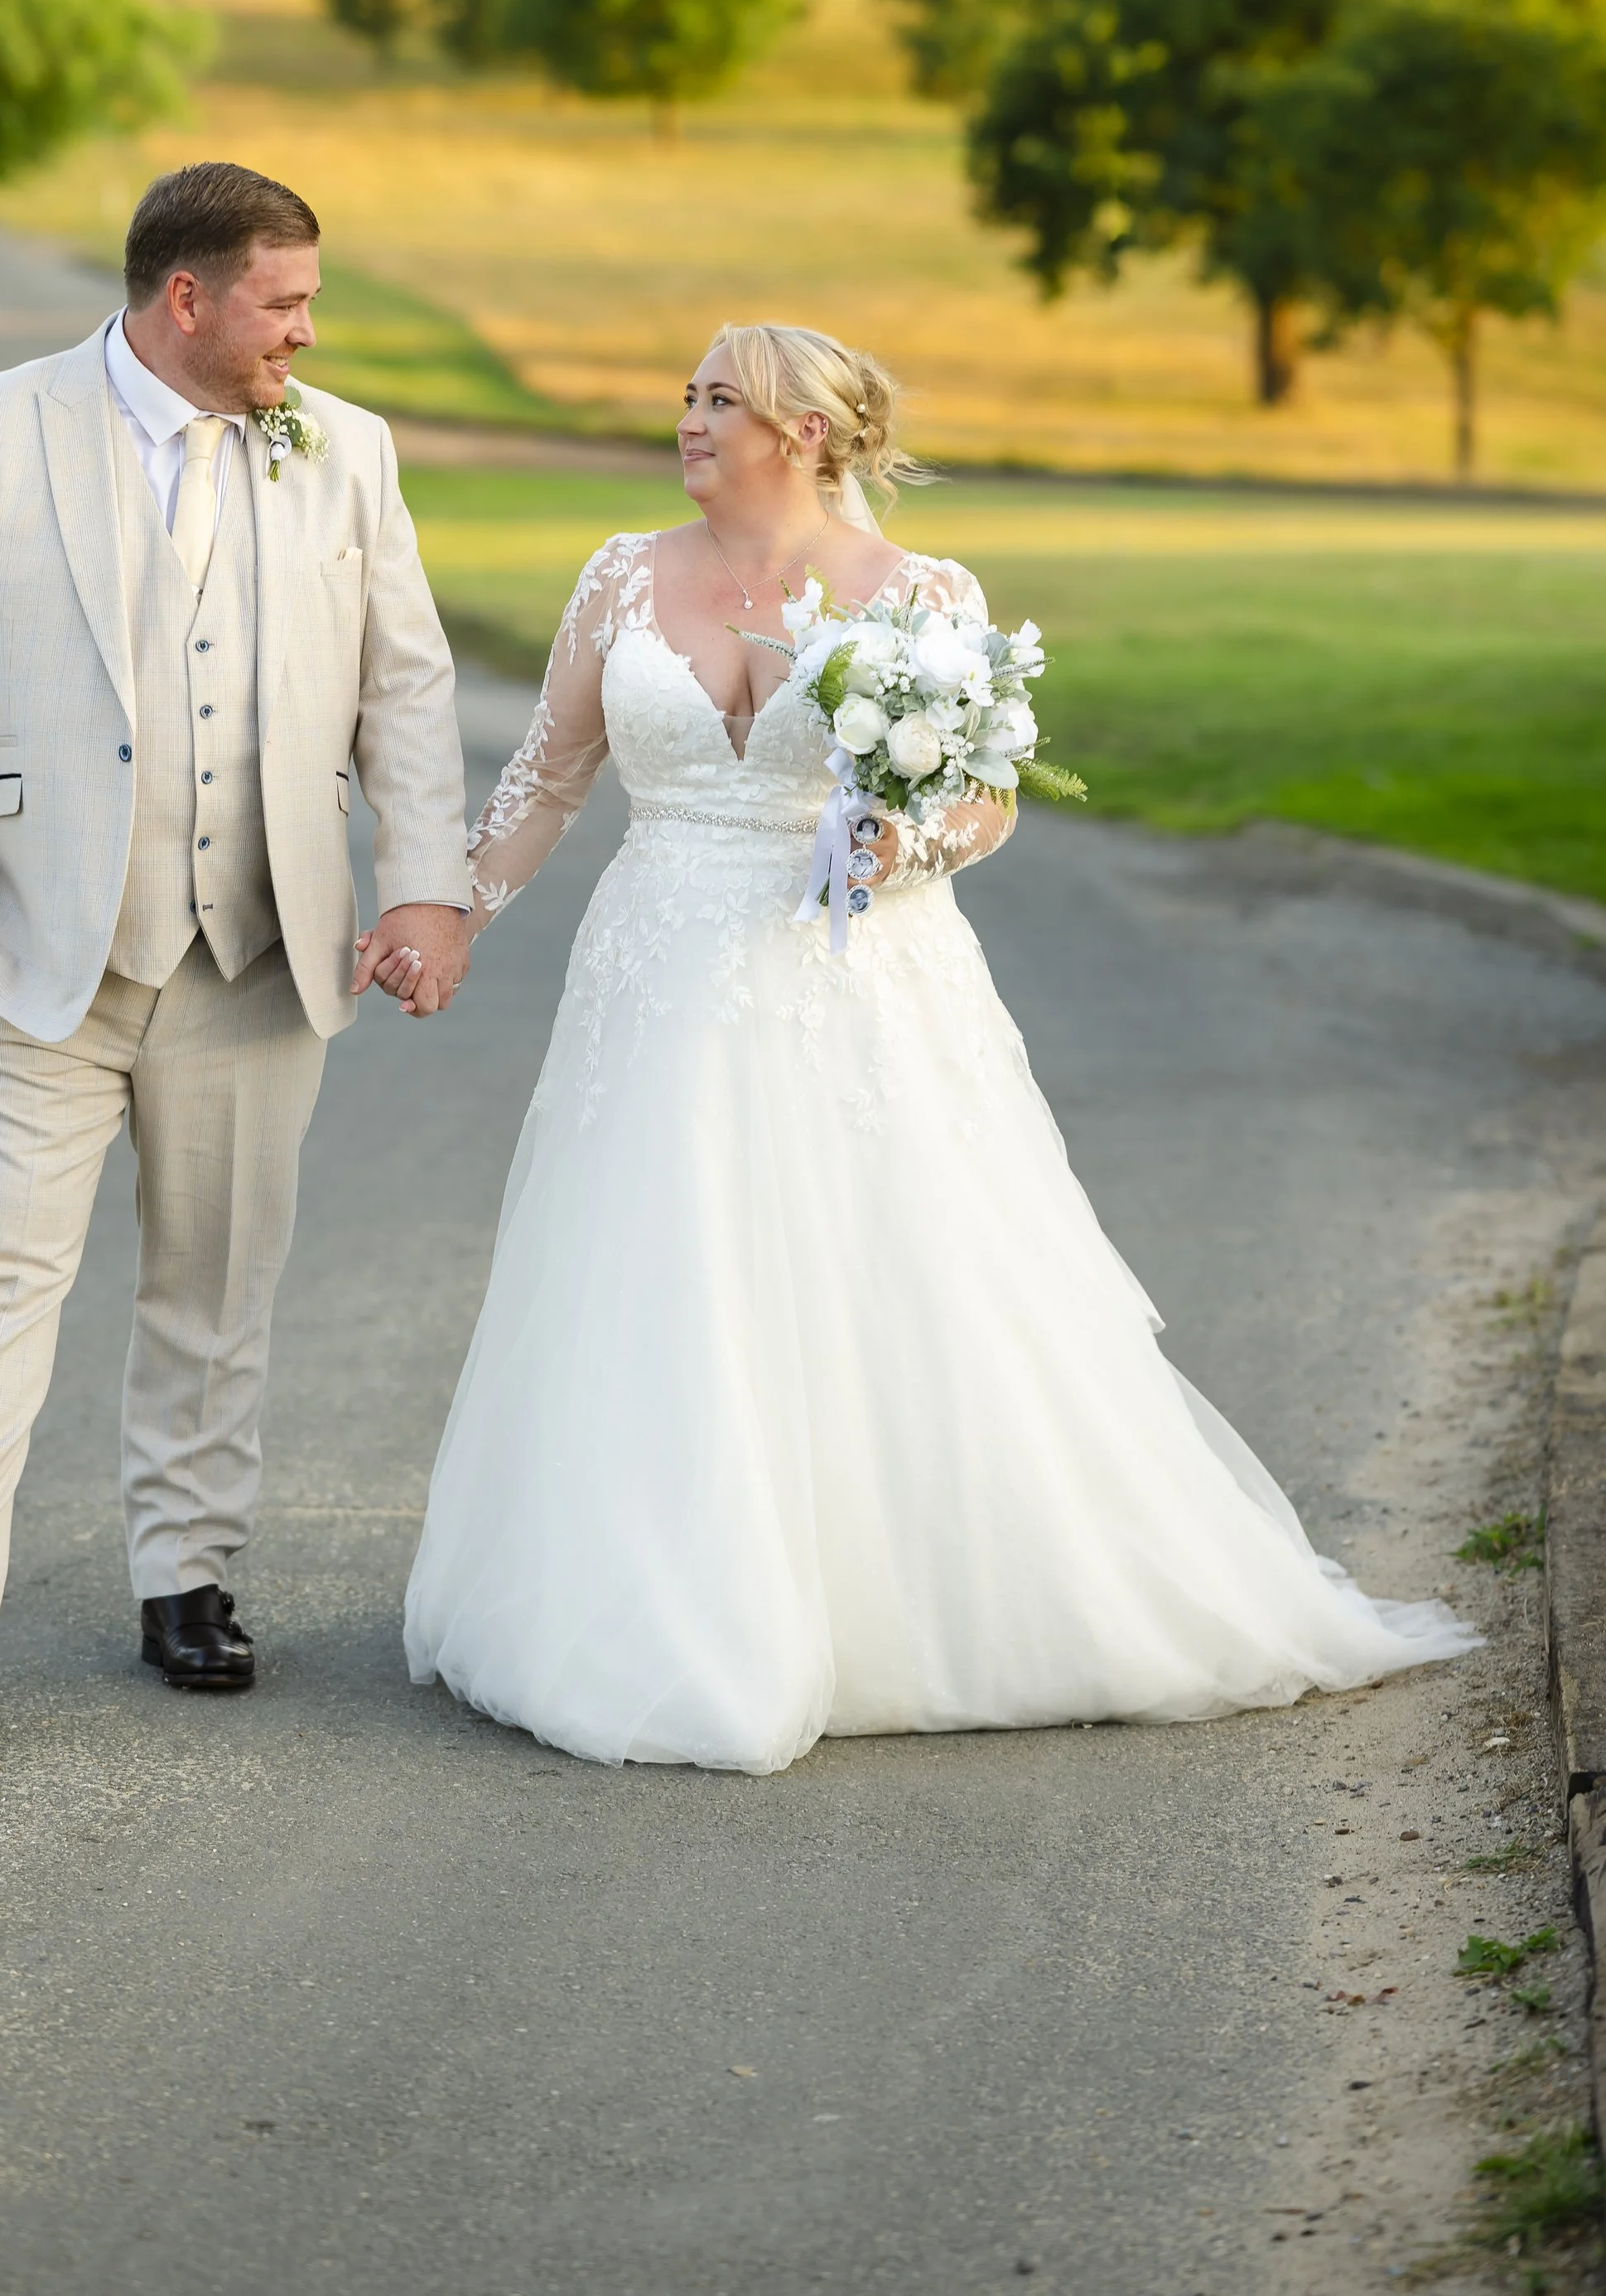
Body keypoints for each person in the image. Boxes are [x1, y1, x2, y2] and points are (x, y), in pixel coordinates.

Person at [403, 321, 1478, 1773]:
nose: (690, 417)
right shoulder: (617, 577)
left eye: (722, 399)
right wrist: (457, 912)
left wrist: (909, 839)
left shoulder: (920, 594)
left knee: (890, 1264)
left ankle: (913, 1593)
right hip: (657, 969)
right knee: (665, 1267)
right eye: (690, 394)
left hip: (856, 969)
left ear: (804, 434)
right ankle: (666, 1599)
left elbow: (989, 798)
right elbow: (548, 775)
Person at [0, 162, 470, 1710]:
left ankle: (189, 1575)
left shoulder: (345, 452)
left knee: (217, 1275)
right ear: (189, 297)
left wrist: (428, 882)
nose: (307, 334)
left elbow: (411, 683)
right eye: (284, 301)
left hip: (255, 940)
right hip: (21, 938)